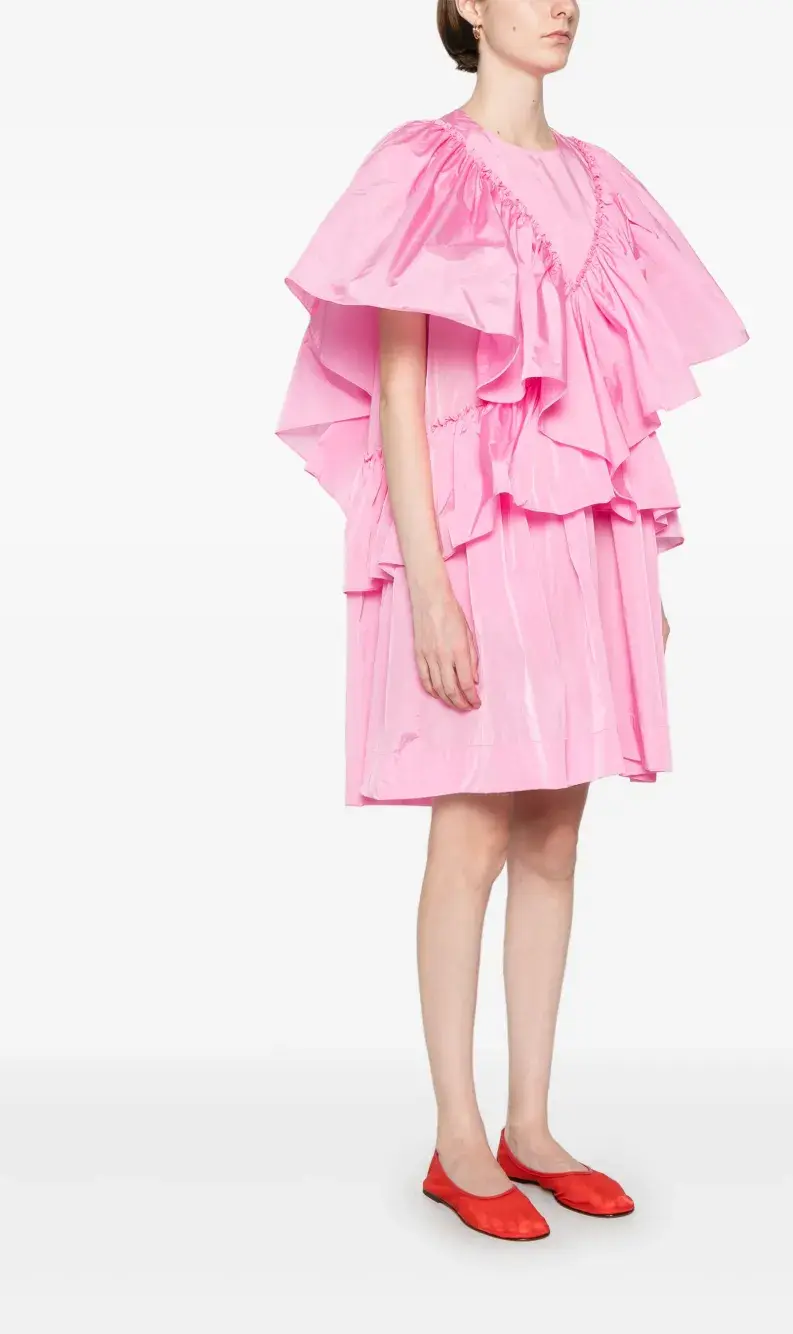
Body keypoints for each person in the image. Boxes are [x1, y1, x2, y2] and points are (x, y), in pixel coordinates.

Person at [274, 0, 748, 1242]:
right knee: (473, 829)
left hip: (583, 540)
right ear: (467, 7)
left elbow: (617, 404)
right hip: (473, 539)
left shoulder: (603, 183)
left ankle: (532, 1123)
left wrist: (643, 585)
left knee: (554, 831)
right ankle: (457, 1138)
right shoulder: (422, 166)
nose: (561, 5)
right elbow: (395, 384)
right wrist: (426, 582)